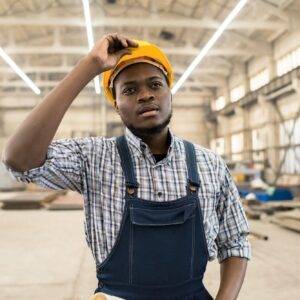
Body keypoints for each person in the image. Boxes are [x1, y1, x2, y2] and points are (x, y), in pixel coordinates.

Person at [2, 33, 250, 300]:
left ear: (169, 93)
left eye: (155, 85)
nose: (145, 95)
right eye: (129, 90)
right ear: (117, 107)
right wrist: (90, 66)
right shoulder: (93, 158)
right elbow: (19, 159)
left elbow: (235, 240)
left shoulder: (209, 164)